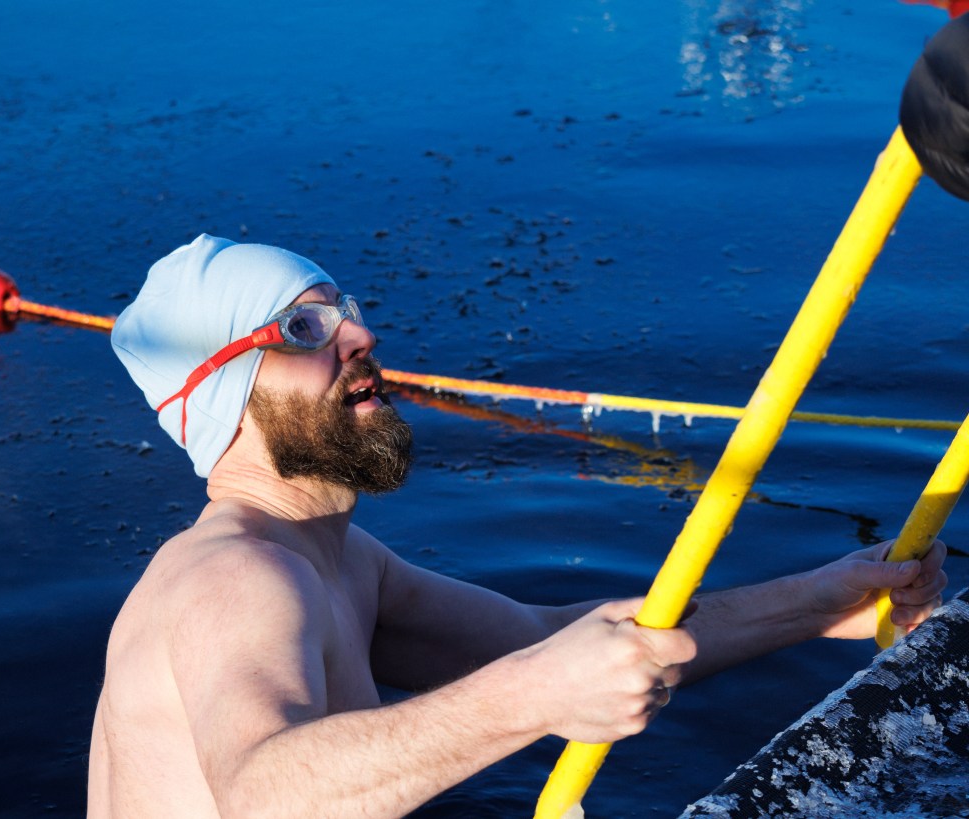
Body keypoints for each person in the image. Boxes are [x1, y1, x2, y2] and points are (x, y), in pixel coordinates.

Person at [87, 234, 948, 819]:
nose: (362, 334)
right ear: (222, 397)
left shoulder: (342, 564)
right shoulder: (234, 576)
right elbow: (262, 794)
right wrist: (537, 693)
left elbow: (545, 636)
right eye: (305, 327)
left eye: (345, 308)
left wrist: (826, 601)